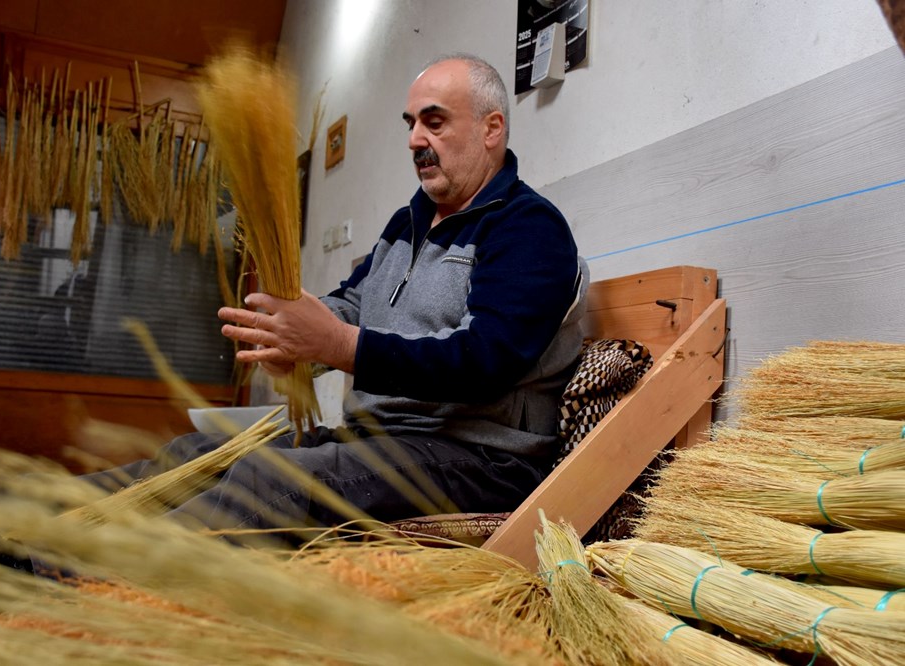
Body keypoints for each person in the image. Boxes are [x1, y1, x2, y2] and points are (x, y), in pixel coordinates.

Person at [88, 53, 589, 543]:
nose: (416, 139)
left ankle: (83, 578)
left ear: (492, 129)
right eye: (411, 123)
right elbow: (352, 305)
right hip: (381, 441)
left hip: (478, 457)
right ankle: (37, 529)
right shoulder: (407, 223)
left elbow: (485, 360)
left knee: (269, 481)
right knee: (193, 453)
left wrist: (337, 345)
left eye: (434, 122)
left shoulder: (527, 228)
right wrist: (293, 337)